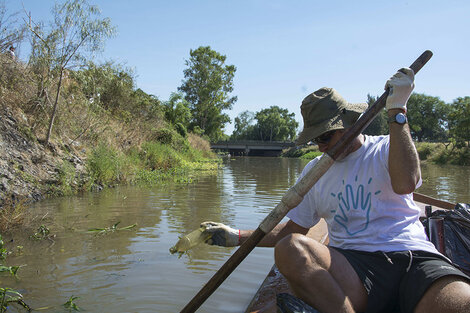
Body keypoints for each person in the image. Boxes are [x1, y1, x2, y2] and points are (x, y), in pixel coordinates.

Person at [201, 68, 470, 313]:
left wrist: (397, 110)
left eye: (326, 137)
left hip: (414, 258)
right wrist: (235, 236)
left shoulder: (386, 148)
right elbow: (294, 231)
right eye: (315, 139)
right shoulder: (315, 170)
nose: (320, 147)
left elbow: (406, 183)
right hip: (352, 267)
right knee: (289, 249)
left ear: (350, 124)